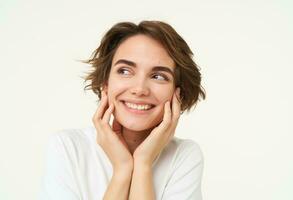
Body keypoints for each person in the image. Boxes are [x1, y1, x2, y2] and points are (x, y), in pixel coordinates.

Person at [39, 20, 206, 200]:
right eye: (125, 71)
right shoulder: (68, 148)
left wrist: (143, 163)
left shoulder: (183, 156)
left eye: (158, 76)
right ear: (106, 83)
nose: (139, 89)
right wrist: (123, 169)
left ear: (176, 94)